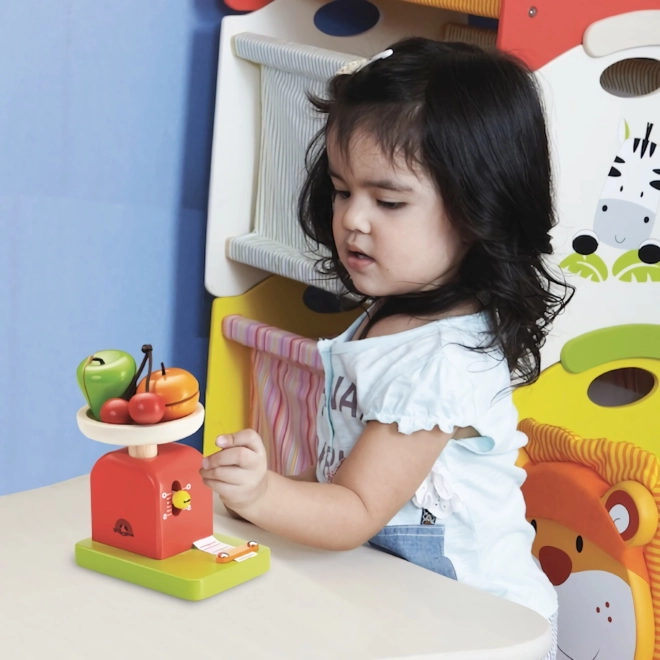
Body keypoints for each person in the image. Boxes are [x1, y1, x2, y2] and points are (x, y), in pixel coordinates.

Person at [200, 37, 572, 659]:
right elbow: (346, 475)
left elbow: (355, 508)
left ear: (479, 211)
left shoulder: (440, 364)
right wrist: (262, 497)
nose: (353, 219)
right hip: (402, 601)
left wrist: (263, 494)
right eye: (343, 190)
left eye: (389, 201)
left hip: (480, 628)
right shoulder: (396, 316)